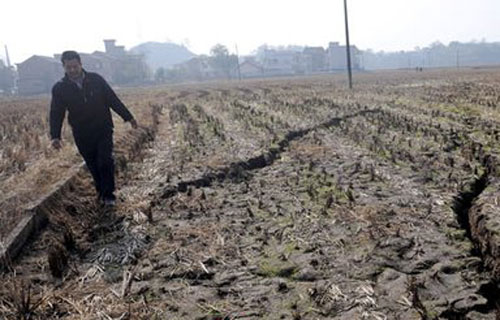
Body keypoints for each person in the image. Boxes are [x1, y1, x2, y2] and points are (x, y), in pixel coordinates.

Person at [49, 51, 138, 207]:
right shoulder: (60, 88)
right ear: (63, 67)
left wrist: (128, 117)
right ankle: (101, 191)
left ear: (81, 64)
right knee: (93, 164)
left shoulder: (96, 80)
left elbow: (112, 99)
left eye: (75, 66)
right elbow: (56, 112)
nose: (72, 70)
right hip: (82, 132)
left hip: (103, 128)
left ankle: (109, 195)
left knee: (105, 161)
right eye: (68, 67)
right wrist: (55, 136)